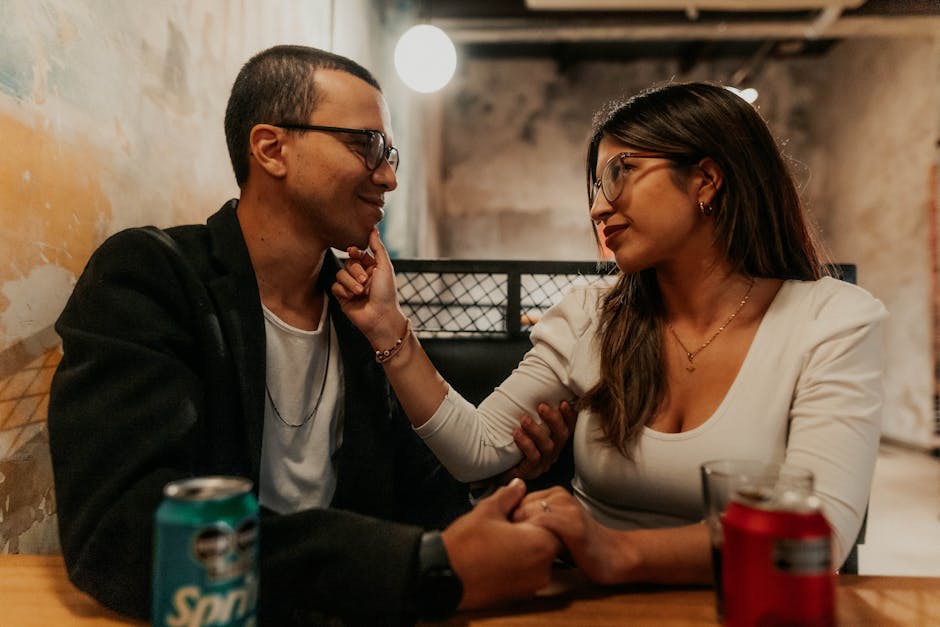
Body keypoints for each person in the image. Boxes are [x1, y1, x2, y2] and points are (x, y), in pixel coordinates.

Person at [47, 44, 570, 626]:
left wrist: (498, 493)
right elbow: (123, 529)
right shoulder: (151, 278)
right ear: (272, 149)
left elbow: (412, 498)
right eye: (366, 145)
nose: (390, 177)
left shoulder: (357, 310)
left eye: (389, 151)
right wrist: (417, 568)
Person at [332, 81, 887, 586]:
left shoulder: (833, 321)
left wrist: (615, 550)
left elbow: (818, 531)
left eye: (620, 172)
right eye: (596, 184)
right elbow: (477, 448)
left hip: (755, 608)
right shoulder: (590, 316)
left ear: (707, 179)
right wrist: (387, 326)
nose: (599, 206)